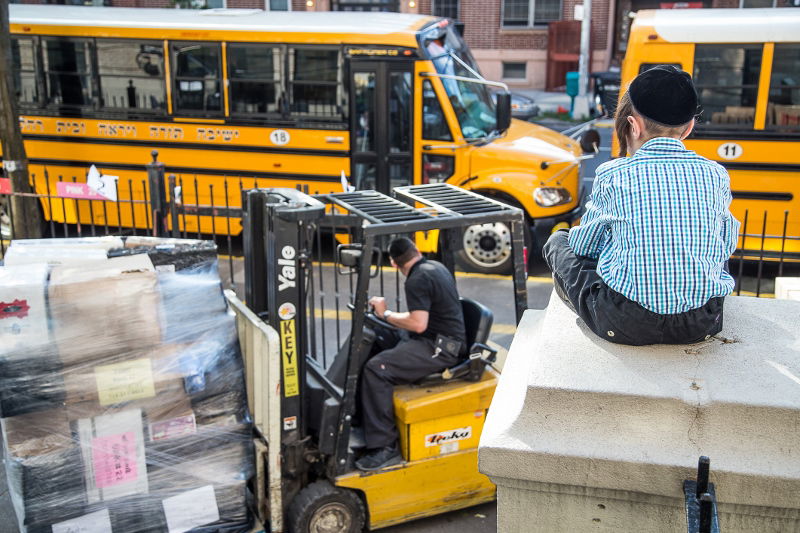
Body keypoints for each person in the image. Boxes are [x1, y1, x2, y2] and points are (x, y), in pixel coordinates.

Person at [543, 65, 740, 346]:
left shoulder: (614, 173)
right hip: (702, 323)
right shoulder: (716, 174)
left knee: (558, 241)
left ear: (633, 125)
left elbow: (585, 248)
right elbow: (725, 245)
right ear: (689, 127)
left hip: (626, 324)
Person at [356, 237, 466, 471]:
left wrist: (385, 315)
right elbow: (422, 317)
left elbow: (417, 324)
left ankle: (384, 447)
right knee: (381, 340)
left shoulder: (417, 278)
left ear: (393, 263)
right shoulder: (435, 267)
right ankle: (363, 416)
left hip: (440, 348)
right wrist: (387, 317)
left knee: (376, 369)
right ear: (416, 250)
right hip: (435, 338)